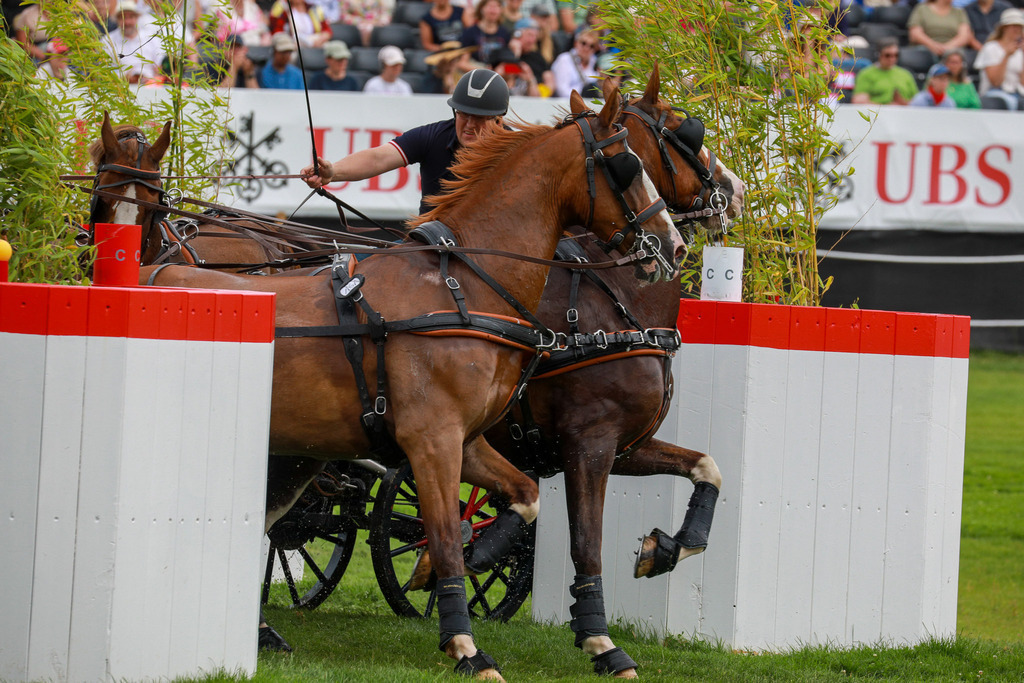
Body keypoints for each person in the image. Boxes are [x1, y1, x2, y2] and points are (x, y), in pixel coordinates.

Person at [301, 68, 510, 214]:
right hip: (430, 249)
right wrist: (333, 172)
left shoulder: (519, 149)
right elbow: (378, 158)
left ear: (499, 120)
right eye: (463, 114)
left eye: (480, 118)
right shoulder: (432, 136)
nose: (469, 125)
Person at [973, 7, 1024, 108]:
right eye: (1013, 26)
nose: (1017, 29)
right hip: (994, 94)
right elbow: (996, 82)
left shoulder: (1020, 51)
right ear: (1004, 28)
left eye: (1019, 26)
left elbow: (1022, 82)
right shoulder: (991, 48)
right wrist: (1006, 56)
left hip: (1017, 94)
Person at [105, 0, 166, 83]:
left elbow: (159, 69)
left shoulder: (152, 38)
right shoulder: (108, 41)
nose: (127, 22)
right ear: (117, 20)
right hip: (119, 87)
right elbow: (105, 72)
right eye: (123, 18)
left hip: (149, 87)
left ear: (136, 18)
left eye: (131, 17)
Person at [851, 38, 919, 104]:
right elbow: (859, 101)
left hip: (905, 113)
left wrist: (903, 104)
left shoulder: (906, 74)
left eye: (896, 55)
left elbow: (917, 102)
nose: (892, 59)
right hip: (876, 114)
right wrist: (886, 108)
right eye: (887, 55)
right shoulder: (866, 74)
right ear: (878, 54)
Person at [908, 0, 975, 57]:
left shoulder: (959, 12)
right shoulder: (921, 8)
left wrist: (947, 48)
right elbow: (915, 34)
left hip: (953, 52)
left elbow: (964, 36)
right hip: (927, 51)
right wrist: (933, 46)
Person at [459, 0, 512, 67]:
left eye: (497, 7)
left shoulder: (504, 32)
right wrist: (484, 71)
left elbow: (510, 63)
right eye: (490, 6)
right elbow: (462, 63)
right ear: (481, 9)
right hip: (478, 72)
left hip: (500, 74)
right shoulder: (470, 32)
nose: (493, 10)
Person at [550, 28, 600, 97]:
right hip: (567, 103)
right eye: (583, 43)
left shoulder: (596, 62)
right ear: (576, 43)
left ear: (595, 49)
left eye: (591, 46)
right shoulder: (564, 59)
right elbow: (562, 91)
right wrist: (582, 94)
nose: (586, 48)